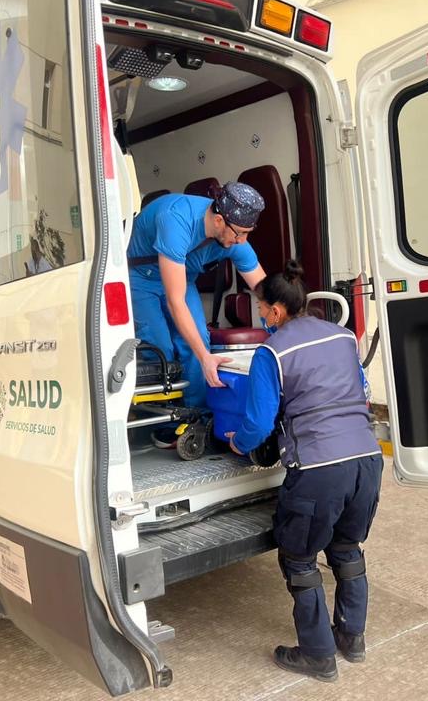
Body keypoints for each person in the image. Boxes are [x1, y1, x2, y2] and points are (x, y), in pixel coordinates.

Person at [226, 260, 382, 683]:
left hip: (319, 469)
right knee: (347, 549)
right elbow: (362, 390)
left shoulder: (271, 352)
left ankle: (318, 656)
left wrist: (240, 442)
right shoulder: (344, 336)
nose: (261, 315)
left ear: (277, 310)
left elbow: (259, 423)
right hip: (367, 460)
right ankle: (352, 638)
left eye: (262, 308)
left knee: (299, 558)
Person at [126, 181, 266, 409]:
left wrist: (288, 327)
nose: (242, 242)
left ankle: (197, 413)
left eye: (247, 234)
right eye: (240, 234)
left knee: (198, 339)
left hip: (182, 276)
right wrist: (205, 358)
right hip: (141, 278)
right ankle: (163, 418)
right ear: (219, 221)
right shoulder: (176, 220)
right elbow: (175, 302)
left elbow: (265, 290)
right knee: (160, 346)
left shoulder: (233, 234)